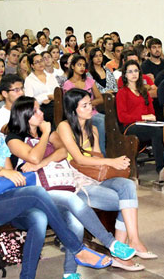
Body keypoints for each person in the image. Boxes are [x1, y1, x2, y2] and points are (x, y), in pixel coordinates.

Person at [0, 94, 113, 279]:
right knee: (37, 192)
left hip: (7, 197)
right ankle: (78, 249)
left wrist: (5, 172)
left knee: (39, 218)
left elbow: (12, 176)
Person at [5, 96, 137, 279]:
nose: (41, 113)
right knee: (72, 199)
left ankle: (69, 274)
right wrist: (45, 135)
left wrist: (43, 161)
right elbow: (33, 157)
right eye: (36, 111)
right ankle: (111, 243)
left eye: (40, 109)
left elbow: (62, 151)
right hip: (35, 193)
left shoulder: (49, 132)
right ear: (24, 115)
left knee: (75, 221)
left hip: (58, 185)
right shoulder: (13, 138)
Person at [58, 89, 157, 268]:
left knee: (127, 186)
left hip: (94, 176)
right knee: (125, 203)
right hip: (77, 181)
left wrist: (115, 165)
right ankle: (120, 253)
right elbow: (79, 159)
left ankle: (133, 240)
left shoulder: (93, 129)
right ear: (73, 110)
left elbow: (96, 159)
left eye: (90, 104)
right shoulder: (64, 127)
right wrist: (112, 161)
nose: (90, 108)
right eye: (84, 105)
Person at [116, 61, 164, 176]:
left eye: (136, 71)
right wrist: (142, 117)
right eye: (130, 71)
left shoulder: (143, 91)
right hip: (131, 126)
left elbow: (151, 112)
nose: (134, 74)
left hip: (146, 124)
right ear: (125, 75)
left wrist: (150, 118)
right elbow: (122, 117)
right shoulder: (122, 93)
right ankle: (161, 168)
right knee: (157, 132)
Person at [63, 55, 106, 154]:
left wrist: (88, 104)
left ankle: (102, 150)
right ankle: (101, 153)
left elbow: (100, 99)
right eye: (79, 65)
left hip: (92, 112)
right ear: (72, 66)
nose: (82, 67)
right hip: (78, 114)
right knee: (101, 121)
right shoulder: (68, 84)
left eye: (83, 65)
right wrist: (85, 105)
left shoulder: (89, 81)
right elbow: (70, 104)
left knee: (106, 118)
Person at [24, 53, 58, 124]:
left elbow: (58, 92)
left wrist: (52, 97)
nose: (40, 63)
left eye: (41, 60)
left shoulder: (51, 76)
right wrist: (46, 97)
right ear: (32, 66)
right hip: (40, 108)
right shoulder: (29, 80)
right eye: (37, 62)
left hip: (55, 105)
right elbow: (29, 100)